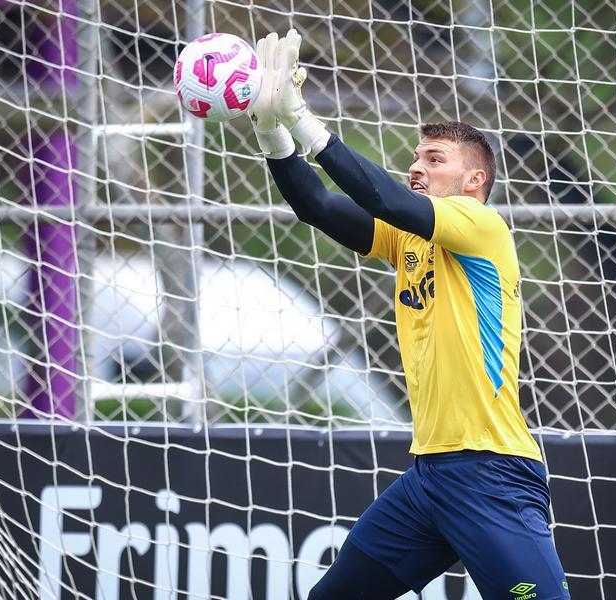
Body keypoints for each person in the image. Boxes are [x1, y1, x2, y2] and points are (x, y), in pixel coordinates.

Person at [250, 30, 570, 600]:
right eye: (416, 156)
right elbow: (317, 206)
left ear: (474, 181)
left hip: (491, 474)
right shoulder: (410, 241)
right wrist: (270, 130)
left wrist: (301, 117)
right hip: (429, 480)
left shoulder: (481, 226)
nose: (417, 166)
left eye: (435, 158)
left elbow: (385, 199)